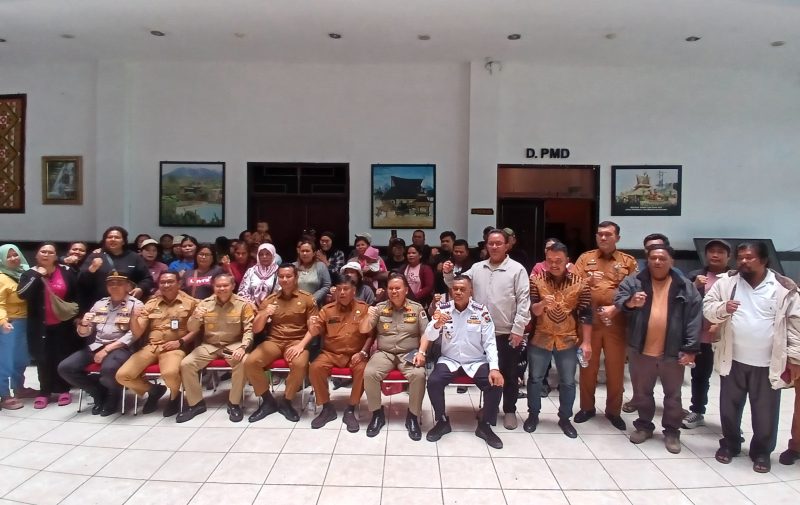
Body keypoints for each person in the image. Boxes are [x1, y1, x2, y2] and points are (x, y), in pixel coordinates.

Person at [704, 241, 800, 473]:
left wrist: (794, 358)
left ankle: (762, 452)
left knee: (765, 413)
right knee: (729, 408)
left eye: (749, 257)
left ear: (764, 260)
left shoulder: (783, 288)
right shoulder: (727, 283)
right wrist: (723, 308)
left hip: (768, 364)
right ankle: (730, 444)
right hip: (733, 359)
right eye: (740, 257)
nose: (743, 261)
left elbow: (796, 325)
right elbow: (708, 308)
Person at [614, 244, 701, 453]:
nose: (657, 262)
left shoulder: (685, 286)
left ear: (672, 261)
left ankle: (671, 431)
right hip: (641, 349)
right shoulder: (635, 281)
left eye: (662, 258)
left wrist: (690, 349)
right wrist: (631, 302)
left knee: (673, 395)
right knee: (642, 393)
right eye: (653, 258)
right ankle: (644, 426)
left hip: (672, 351)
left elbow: (694, 318)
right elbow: (618, 300)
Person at [443, 229, 531, 430]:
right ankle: (490, 408)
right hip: (480, 332)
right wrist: (448, 273)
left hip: (507, 332)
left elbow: (524, 302)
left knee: (509, 374)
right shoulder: (477, 268)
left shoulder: (517, 270)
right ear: (486, 245)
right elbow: (457, 285)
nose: (494, 246)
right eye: (491, 243)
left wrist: (518, 329)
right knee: (488, 372)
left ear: (507, 245)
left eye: (499, 243)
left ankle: (509, 410)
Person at [424, 276, 504, 449]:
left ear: (471, 291)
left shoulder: (481, 311)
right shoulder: (443, 309)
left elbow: (490, 342)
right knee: (433, 381)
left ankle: (485, 425)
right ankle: (442, 421)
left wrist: (494, 368)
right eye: (455, 289)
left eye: (462, 289)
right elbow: (429, 335)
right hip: (449, 360)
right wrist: (437, 324)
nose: (458, 292)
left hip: (475, 361)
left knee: (495, 383)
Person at [572, 221, 638, 431]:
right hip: (589, 322)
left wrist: (616, 307)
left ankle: (613, 411)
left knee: (616, 369)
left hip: (616, 322)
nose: (603, 238)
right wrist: (587, 282)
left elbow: (635, 290)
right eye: (600, 234)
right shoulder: (585, 259)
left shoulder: (628, 262)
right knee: (587, 367)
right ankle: (586, 408)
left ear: (617, 237)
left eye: (608, 234)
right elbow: (571, 286)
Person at [525, 242, 593, 438]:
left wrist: (587, 342)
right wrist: (541, 304)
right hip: (541, 337)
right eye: (550, 261)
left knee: (568, 381)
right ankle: (533, 415)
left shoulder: (581, 283)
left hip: (568, 338)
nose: (554, 265)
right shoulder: (536, 280)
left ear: (567, 261)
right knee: (535, 379)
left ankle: (565, 418)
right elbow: (532, 310)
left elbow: (586, 314)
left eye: (559, 261)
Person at [59, 272, 143, 416]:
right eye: (111, 283)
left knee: (109, 370)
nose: (114, 286)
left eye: (119, 283)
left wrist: (107, 350)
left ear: (128, 286)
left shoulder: (136, 305)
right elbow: (85, 332)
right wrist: (83, 324)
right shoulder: (100, 304)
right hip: (97, 345)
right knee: (65, 368)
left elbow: (134, 334)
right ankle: (97, 392)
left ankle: (114, 395)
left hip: (121, 347)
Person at [117, 271, 198, 417]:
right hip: (151, 347)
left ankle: (175, 395)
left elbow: (196, 330)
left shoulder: (191, 303)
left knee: (170, 373)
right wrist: (133, 318)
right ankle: (154, 390)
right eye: (162, 282)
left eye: (170, 281)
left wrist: (180, 342)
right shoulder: (151, 303)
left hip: (174, 347)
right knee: (123, 375)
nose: (166, 285)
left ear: (179, 283)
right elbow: (138, 332)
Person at [360, 272, 430, 440]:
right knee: (369, 373)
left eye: (397, 288)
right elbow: (363, 329)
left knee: (419, 375)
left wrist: (421, 352)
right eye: (390, 288)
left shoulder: (416, 308)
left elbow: (426, 333)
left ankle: (412, 416)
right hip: (385, 353)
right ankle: (377, 414)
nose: (393, 291)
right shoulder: (379, 308)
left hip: (409, 352)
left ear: (406, 290)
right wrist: (368, 316)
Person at [177, 273, 254, 423]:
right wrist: (195, 317)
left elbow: (249, 330)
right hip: (210, 345)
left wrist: (243, 347)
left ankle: (234, 403)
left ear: (233, 286)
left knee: (243, 362)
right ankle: (196, 404)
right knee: (186, 364)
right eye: (218, 286)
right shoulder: (204, 304)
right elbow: (191, 328)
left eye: (225, 285)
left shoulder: (243, 304)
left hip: (232, 345)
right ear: (213, 287)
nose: (222, 288)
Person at [246, 264, 318, 423]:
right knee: (251, 362)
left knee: (299, 364)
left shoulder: (307, 298)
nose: (284, 280)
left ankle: (286, 401)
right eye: (281, 276)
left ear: (296, 277)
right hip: (274, 341)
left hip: (297, 341)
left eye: (288, 276)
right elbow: (256, 329)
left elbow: (314, 329)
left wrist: (301, 346)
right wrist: (264, 313)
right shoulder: (270, 300)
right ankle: (267, 401)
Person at [305, 277, 374, 431]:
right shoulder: (327, 310)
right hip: (331, 353)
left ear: (353, 291)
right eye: (339, 289)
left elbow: (370, 335)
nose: (342, 292)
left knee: (364, 370)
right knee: (315, 368)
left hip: (355, 353)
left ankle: (351, 408)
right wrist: (311, 325)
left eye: (346, 289)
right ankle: (326, 408)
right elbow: (316, 331)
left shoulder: (363, 309)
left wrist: (363, 352)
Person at [18, 243, 81, 408]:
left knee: (62, 356)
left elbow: (76, 294)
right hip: (39, 324)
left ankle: (63, 389)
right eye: (43, 252)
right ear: (37, 255)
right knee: (42, 358)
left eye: (50, 252)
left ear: (56, 256)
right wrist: (37, 275)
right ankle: (44, 391)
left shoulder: (66, 272)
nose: (46, 255)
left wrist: (78, 317)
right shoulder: (29, 273)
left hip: (63, 323)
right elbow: (22, 294)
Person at [683, 239, 732, 429]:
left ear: (729, 256)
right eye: (711, 251)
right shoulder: (696, 275)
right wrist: (694, 285)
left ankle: (731, 420)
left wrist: (719, 324)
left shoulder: (736, 278)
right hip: (701, 337)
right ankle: (697, 411)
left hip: (727, 338)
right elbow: (682, 300)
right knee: (700, 375)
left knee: (730, 380)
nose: (715, 255)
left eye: (720, 252)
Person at [78, 226, 153, 311]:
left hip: (127, 305)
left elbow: (147, 278)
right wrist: (92, 269)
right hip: (99, 305)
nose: (113, 239)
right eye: (109, 237)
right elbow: (80, 280)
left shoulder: (133, 257)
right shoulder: (95, 255)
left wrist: (141, 288)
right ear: (105, 240)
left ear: (123, 241)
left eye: (117, 237)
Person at [0, 244, 32, 409]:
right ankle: (4, 395)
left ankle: (19, 388)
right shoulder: (1, 277)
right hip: (10, 324)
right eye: (8, 256)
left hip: (25, 322)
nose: (13, 258)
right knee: (5, 361)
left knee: (21, 359)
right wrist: (3, 321)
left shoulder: (26, 272)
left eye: (15, 254)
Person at [294, 240, 331, 307]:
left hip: (314, 304)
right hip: (295, 304)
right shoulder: (293, 266)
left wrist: (312, 299)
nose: (304, 253)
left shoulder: (321, 266)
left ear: (314, 253)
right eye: (302, 251)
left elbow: (326, 285)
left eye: (307, 251)